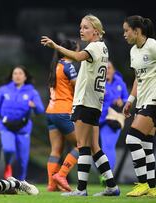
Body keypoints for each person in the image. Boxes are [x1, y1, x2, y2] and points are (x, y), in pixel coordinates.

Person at [41, 14, 120, 196]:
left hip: (85, 102)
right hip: (95, 102)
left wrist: (56, 46)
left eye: (85, 27)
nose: (81, 30)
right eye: (81, 27)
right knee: (94, 146)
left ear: (96, 31)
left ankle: (81, 189)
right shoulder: (103, 48)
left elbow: (77, 56)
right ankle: (112, 186)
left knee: (82, 145)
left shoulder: (93, 47)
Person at [0, 65, 45, 181]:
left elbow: (40, 110)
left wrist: (35, 106)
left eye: (20, 73)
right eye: (15, 73)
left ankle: (21, 181)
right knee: (9, 149)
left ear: (25, 76)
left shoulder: (32, 91)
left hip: (23, 128)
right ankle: (8, 165)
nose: (17, 76)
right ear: (11, 76)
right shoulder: (4, 90)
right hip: (6, 126)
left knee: (23, 159)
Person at [122, 15, 156, 197]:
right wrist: (130, 100)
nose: (124, 34)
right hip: (142, 101)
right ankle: (152, 187)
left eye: (127, 30)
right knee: (146, 144)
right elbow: (138, 78)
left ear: (137, 31)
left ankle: (142, 183)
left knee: (132, 139)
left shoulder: (152, 46)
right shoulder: (134, 51)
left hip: (154, 101)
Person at [45, 39, 79, 192]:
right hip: (63, 111)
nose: (78, 53)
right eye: (77, 50)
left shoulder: (55, 66)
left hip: (51, 111)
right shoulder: (68, 66)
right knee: (82, 145)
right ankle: (61, 175)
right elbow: (77, 87)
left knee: (56, 150)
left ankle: (52, 184)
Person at [99, 61, 128, 173]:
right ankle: (103, 173)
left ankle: (108, 173)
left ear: (113, 70)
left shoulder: (120, 83)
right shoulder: (98, 82)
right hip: (96, 119)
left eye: (109, 68)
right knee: (93, 149)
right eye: (104, 68)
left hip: (112, 119)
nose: (107, 70)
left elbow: (127, 99)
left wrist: (122, 101)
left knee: (108, 146)